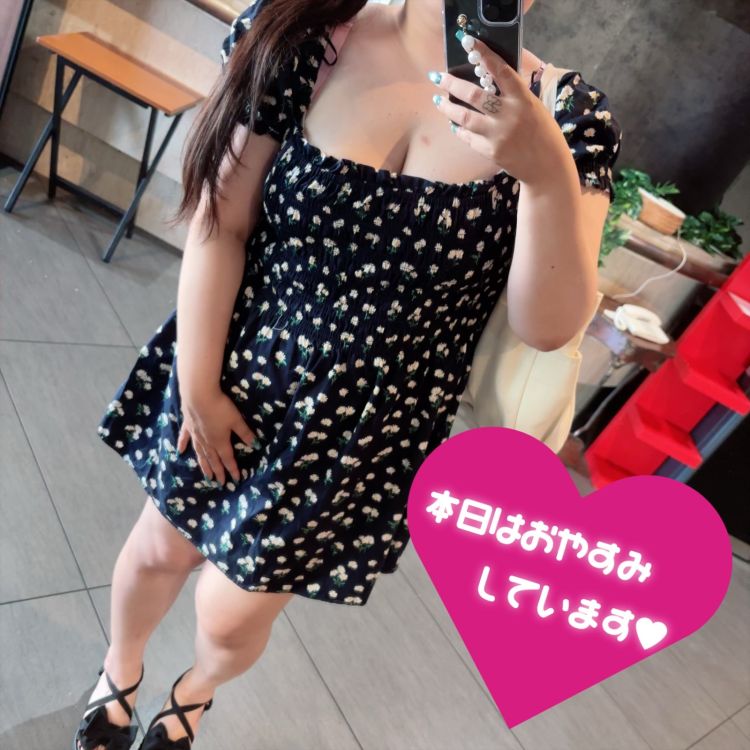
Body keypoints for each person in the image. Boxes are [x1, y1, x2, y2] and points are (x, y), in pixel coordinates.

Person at [74, 0, 623, 748]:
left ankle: (193, 694)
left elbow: (547, 326)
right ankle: (119, 671)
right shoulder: (307, 33)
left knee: (232, 614)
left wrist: (546, 175)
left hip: (362, 438)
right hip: (234, 370)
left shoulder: (568, 120)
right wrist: (198, 388)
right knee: (158, 550)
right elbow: (221, 220)